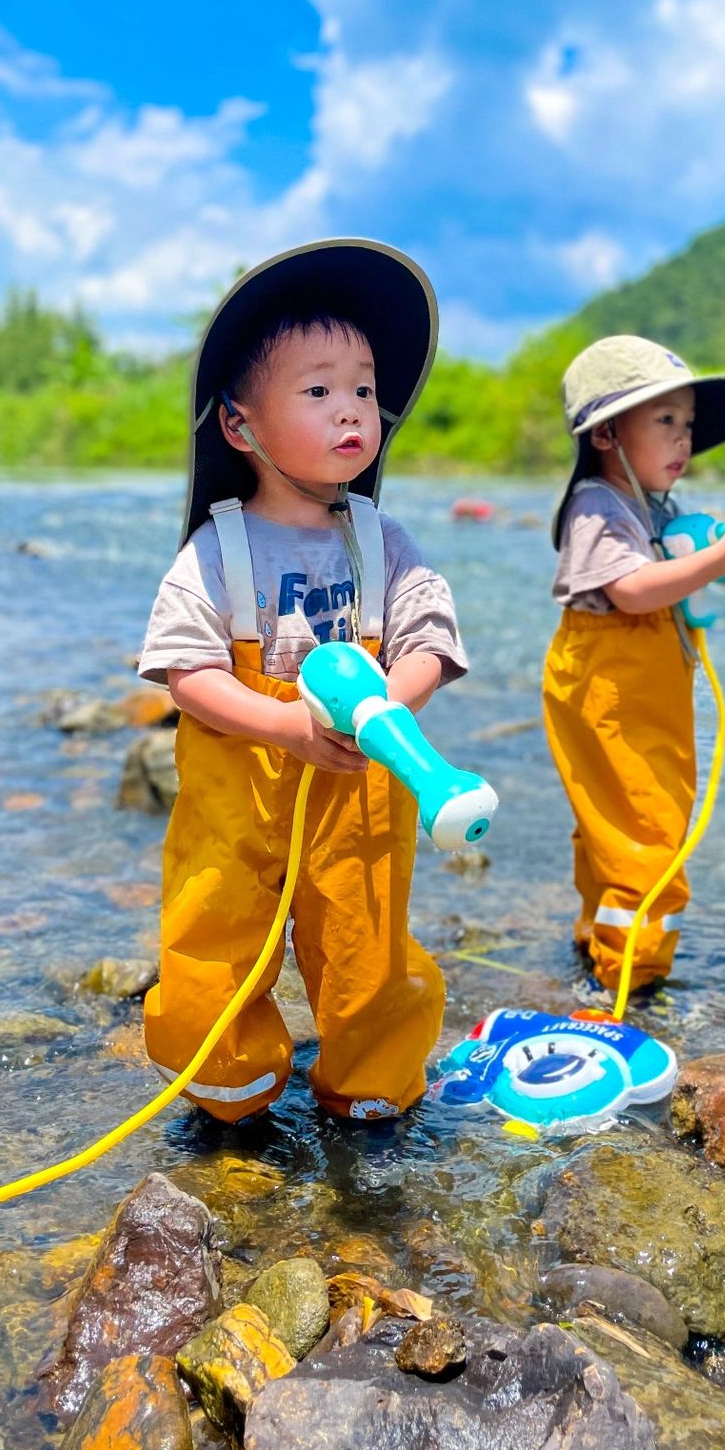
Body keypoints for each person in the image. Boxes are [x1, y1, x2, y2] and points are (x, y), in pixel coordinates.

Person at [138, 239, 466, 1121]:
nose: (350, 408)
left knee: (367, 936)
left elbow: (430, 632)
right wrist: (281, 725)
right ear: (241, 427)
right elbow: (186, 672)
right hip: (243, 776)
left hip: (359, 783)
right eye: (318, 391)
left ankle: (370, 1084)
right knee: (218, 930)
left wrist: (392, 704)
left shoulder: (381, 539)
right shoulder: (220, 548)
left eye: (363, 388)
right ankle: (230, 1080)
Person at [543, 335, 725, 997]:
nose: (684, 442)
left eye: (689, 426)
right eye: (665, 422)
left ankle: (597, 943)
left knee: (616, 821)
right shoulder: (597, 503)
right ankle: (631, 982)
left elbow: (671, 569)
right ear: (608, 434)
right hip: (609, 690)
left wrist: (716, 544)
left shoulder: (653, 508)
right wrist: (723, 557)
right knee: (646, 831)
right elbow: (631, 591)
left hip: (641, 691)